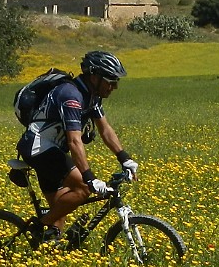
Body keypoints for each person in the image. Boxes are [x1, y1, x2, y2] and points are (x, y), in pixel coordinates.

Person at [16, 50, 138, 242]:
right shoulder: (71, 96)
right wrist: (89, 178)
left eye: (116, 82)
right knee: (82, 188)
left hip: (50, 149)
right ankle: (39, 227)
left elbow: (105, 130)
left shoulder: (92, 96)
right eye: (111, 81)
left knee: (59, 211)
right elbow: (74, 140)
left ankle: (48, 249)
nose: (114, 87)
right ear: (94, 76)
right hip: (38, 148)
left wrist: (125, 158)